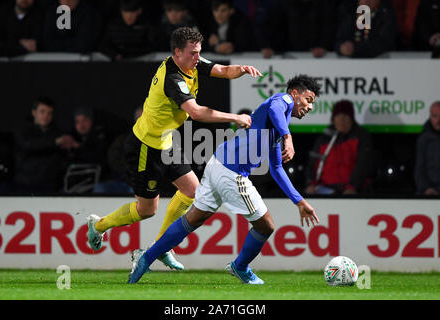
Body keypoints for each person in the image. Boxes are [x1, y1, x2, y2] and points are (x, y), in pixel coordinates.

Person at [86, 27, 261, 271]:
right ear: (177, 52)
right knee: (147, 210)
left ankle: (160, 247)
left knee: (192, 191)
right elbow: (197, 112)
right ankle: (99, 225)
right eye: (192, 53)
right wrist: (235, 117)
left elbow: (220, 69)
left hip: (166, 143)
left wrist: (241, 70)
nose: (197, 57)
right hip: (145, 146)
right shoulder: (173, 77)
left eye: (199, 52)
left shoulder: (192, 62)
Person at [127, 74, 320, 284]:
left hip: (217, 164)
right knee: (266, 226)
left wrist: (299, 201)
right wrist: (288, 136)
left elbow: (276, 169)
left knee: (193, 219)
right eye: (308, 100)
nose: (309, 107)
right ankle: (240, 267)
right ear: (294, 94)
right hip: (231, 172)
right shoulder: (282, 100)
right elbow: (276, 108)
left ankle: (145, 258)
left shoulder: (275, 126)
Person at [304, 100, 373, 195]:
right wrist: (310, 183)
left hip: (351, 191)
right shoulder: (325, 138)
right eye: (338, 116)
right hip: (326, 190)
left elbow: (362, 166)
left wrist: (352, 187)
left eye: (345, 116)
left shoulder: (360, 136)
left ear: (351, 119)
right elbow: (312, 164)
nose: (341, 120)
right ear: (333, 119)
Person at [14, 97, 78, 193]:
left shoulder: (57, 133)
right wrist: (55, 142)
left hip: (50, 185)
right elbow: (29, 145)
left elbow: (64, 158)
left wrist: (73, 147)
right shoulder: (23, 131)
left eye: (49, 113)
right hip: (26, 185)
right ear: (34, 112)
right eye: (42, 112)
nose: (46, 116)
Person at [260, 0, 337, 58]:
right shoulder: (282, 5)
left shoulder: (324, 5)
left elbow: (329, 27)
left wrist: (323, 46)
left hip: (317, 56)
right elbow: (271, 27)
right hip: (286, 55)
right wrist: (267, 46)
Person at [414, 101, 440, 195]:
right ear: (430, 117)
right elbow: (419, 169)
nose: (438, 120)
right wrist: (426, 189)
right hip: (429, 192)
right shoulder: (424, 139)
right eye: (435, 116)